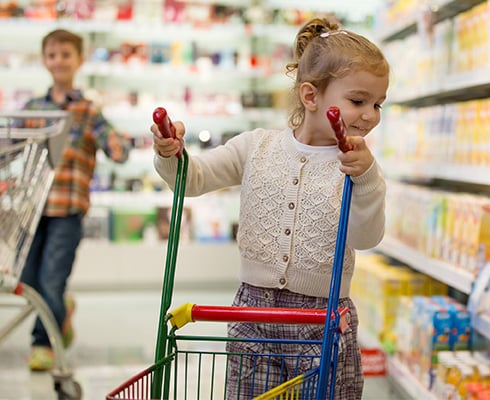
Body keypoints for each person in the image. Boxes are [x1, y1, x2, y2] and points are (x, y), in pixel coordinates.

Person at [151, 17, 389, 399]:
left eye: (378, 104)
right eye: (358, 101)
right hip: (252, 315)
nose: (371, 115)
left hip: (321, 319)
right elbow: (192, 178)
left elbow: (366, 236)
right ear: (311, 97)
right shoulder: (256, 147)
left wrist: (367, 178)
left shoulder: (356, 165)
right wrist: (171, 154)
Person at [20, 29, 132, 371]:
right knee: (28, 280)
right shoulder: (33, 108)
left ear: (79, 60)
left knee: (52, 279)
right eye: (52, 55)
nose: (59, 61)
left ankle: (43, 344)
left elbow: (117, 148)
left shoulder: (86, 110)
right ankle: (62, 312)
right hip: (33, 208)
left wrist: (117, 145)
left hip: (68, 208)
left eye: (66, 54)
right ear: (45, 60)